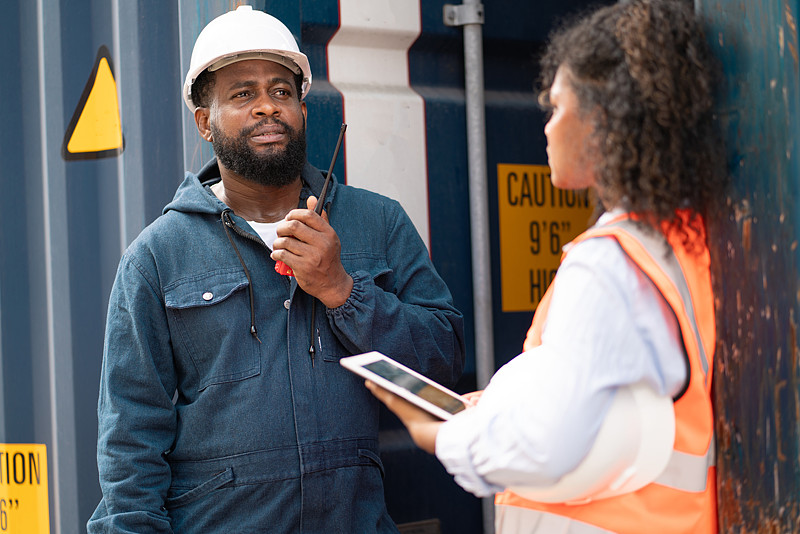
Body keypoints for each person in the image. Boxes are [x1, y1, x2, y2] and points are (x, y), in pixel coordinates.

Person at [87, 6, 464, 533]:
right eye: (243, 95)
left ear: (304, 110)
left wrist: (343, 291)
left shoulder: (377, 223)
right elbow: (130, 443)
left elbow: (443, 361)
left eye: (282, 91)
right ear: (205, 121)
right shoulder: (156, 257)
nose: (268, 106)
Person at [367, 0, 727, 532]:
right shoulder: (681, 242)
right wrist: (493, 404)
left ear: (604, 118)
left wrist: (440, 436)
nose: (547, 127)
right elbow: (612, 398)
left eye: (558, 107)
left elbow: (546, 444)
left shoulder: (607, 265)